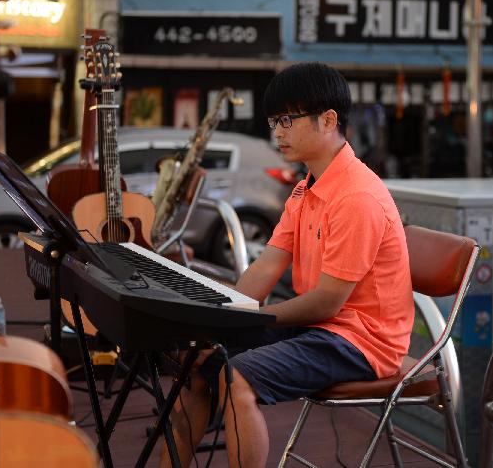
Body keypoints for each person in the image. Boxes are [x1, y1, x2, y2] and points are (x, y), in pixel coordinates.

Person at [161, 63, 413, 468]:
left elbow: (329, 302)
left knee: (236, 376)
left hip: (363, 341)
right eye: (273, 121)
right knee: (199, 356)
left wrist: (250, 319)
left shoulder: (357, 197)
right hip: (325, 328)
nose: (277, 132)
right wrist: (219, 319)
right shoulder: (305, 188)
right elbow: (268, 265)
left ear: (328, 120)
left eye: (286, 120)